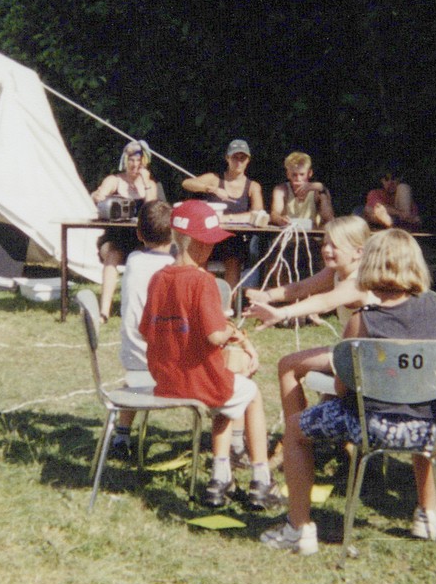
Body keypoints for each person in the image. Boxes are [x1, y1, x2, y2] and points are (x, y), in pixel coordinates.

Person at [262, 229, 436, 554]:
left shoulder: (362, 322)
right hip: (429, 429)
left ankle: (298, 528)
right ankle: (428, 515)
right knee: (420, 405)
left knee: (294, 430)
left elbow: (343, 387)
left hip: (372, 426)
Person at [141, 201, 277, 509]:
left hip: (166, 381)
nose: (212, 248)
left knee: (229, 387)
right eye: (209, 241)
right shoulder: (203, 281)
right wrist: (233, 332)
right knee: (251, 393)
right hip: (198, 383)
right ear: (196, 242)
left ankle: (220, 477)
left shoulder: (158, 278)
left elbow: (146, 330)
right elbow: (215, 335)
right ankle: (261, 479)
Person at [243, 215, 372, 467]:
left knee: (288, 365)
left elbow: (324, 301)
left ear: (358, 252)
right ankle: (309, 437)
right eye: (325, 243)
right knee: (306, 373)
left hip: (367, 359)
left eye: (335, 245)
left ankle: (296, 439)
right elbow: (302, 288)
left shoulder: (359, 281)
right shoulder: (336, 272)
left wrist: (282, 313)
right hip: (351, 354)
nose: (326, 249)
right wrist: (266, 295)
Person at [106, 201, 176, 457]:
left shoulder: (133, 260)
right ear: (173, 234)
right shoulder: (173, 268)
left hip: (133, 357)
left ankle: (122, 433)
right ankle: (232, 441)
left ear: (138, 234)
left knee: (136, 378)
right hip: (164, 363)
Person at [90, 140, 164, 320]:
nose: (134, 164)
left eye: (139, 161)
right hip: (114, 237)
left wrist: (145, 182)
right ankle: (104, 311)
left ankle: (142, 308)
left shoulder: (150, 185)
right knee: (112, 255)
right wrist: (98, 196)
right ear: (125, 160)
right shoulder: (114, 180)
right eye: (131, 160)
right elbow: (98, 196)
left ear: (145, 163)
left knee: (143, 258)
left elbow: (152, 209)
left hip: (140, 239)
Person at [180, 140, 267, 292]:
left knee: (233, 258)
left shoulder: (252, 186)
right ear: (227, 158)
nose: (238, 162)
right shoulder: (215, 179)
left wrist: (227, 219)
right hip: (209, 236)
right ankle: (199, 295)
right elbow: (187, 183)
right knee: (199, 252)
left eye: (242, 158)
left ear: (248, 160)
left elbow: (258, 214)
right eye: (235, 157)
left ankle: (227, 301)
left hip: (234, 238)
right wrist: (210, 189)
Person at [269, 152, 334, 228]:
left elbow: (329, 219)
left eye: (302, 174)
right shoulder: (281, 190)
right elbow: (274, 214)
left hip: (313, 234)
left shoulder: (317, 190)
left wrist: (321, 190)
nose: (298, 179)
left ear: (310, 173)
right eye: (294, 175)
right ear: (288, 174)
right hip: (288, 232)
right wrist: (280, 220)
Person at [364, 166, 421, 231]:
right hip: (389, 223)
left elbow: (410, 215)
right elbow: (379, 207)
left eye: (393, 179)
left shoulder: (404, 191)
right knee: (368, 210)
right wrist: (400, 214)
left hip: (406, 223)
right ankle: (390, 222)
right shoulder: (375, 193)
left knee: (403, 187)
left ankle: (391, 222)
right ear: (382, 181)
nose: (390, 182)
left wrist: (404, 215)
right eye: (386, 179)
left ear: (399, 179)